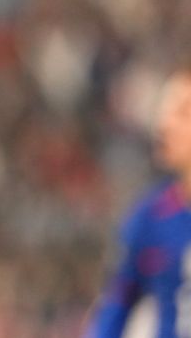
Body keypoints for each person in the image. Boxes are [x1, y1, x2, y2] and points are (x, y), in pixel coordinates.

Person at [89, 68, 191, 337]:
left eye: (183, 112)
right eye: (164, 110)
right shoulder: (149, 218)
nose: (165, 124)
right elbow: (114, 308)